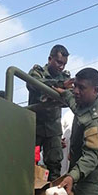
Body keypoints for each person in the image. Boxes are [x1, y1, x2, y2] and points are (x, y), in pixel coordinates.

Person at [28, 45, 71, 181]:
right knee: (26, 161)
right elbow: (34, 84)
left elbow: (70, 96)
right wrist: (60, 85)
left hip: (53, 128)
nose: (61, 67)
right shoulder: (38, 72)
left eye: (64, 64)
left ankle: (53, 192)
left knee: (55, 165)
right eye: (59, 62)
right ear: (49, 59)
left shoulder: (65, 77)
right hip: (34, 125)